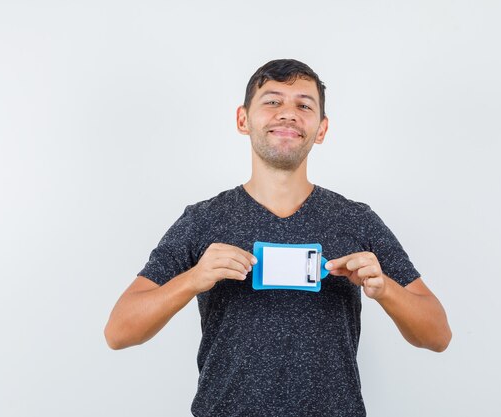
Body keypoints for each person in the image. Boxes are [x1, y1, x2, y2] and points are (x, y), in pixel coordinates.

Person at [104, 59, 452, 417]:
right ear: (243, 119)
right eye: (272, 101)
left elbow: (438, 335)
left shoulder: (356, 220)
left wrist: (386, 290)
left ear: (321, 128)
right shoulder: (202, 220)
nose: (288, 114)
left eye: (304, 105)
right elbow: (119, 331)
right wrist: (194, 279)